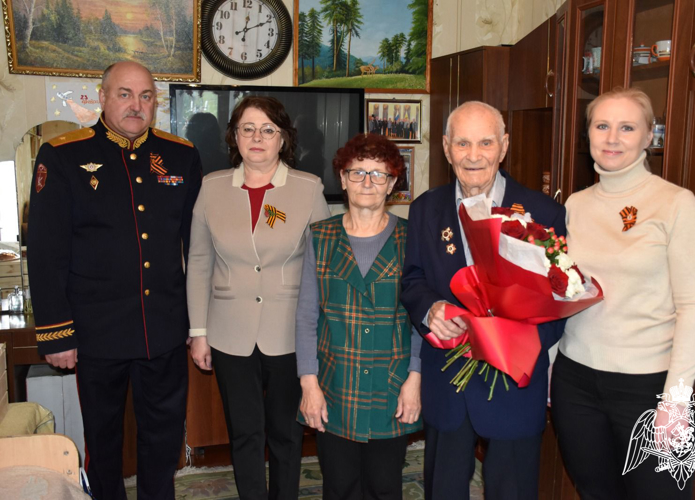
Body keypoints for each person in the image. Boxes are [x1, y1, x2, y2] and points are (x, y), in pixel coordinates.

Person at [27, 61, 202, 500]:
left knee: (162, 441)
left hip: (163, 329)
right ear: (102, 97)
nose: (136, 105)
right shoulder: (63, 154)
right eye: (124, 94)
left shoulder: (181, 155)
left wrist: (197, 323)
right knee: (103, 444)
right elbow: (47, 253)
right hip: (95, 334)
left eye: (145, 96)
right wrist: (56, 333)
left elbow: (197, 248)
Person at [551, 87, 695, 499]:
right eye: (601, 126)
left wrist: (677, 400)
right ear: (587, 135)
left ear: (649, 136)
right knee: (595, 493)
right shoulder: (574, 204)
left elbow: (694, 309)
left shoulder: (677, 204)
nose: (611, 138)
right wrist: (551, 370)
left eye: (627, 127)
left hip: (652, 386)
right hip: (577, 382)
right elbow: (562, 292)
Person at [401, 101, 565, 500]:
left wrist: (512, 342)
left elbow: (561, 299)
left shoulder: (544, 213)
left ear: (504, 146)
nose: (474, 156)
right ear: (445, 147)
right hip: (447, 383)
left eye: (486, 142)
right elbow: (413, 280)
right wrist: (430, 309)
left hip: (513, 381)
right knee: (443, 490)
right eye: (462, 143)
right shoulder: (425, 209)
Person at [186, 96, 330, 500]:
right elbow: (198, 261)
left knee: (286, 433)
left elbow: (323, 265)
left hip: (289, 334)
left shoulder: (307, 189)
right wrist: (198, 330)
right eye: (247, 128)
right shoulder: (212, 188)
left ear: (283, 138)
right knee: (245, 433)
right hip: (228, 332)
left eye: (268, 130)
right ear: (234, 136)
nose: (257, 138)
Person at [296, 133, 422, 499]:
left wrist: (415, 379)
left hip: (392, 386)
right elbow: (306, 316)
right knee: (340, 487)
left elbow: (421, 320)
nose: (367, 183)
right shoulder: (320, 237)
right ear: (342, 179)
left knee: (385, 486)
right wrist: (309, 385)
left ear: (393, 183)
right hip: (334, 386)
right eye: (357, 173)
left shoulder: (412, 238)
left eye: (378, 174)